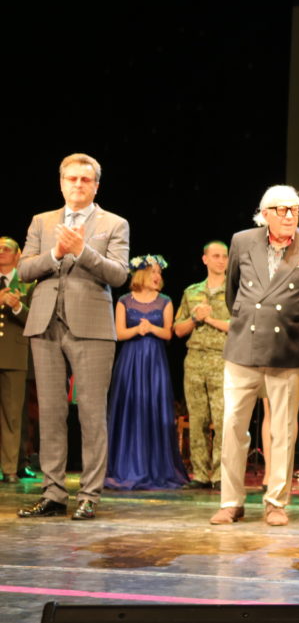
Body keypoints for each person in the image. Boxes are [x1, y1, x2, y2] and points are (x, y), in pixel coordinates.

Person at [210, 185, 299, 526]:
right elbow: (233, 293)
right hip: (243, 347)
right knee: (233, 427)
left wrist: (295, 329)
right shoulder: (242, 241)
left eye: (295, 209)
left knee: (283, 430)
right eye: (282, 209)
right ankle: (230, 502)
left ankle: (276, 502)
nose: (290, 215)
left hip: (288, 349)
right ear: (265, 214)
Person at [17, 153, 129, 520]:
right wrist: (55, 253)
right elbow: (24, 270)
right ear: (61, 183)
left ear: (96, 185)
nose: (77, 185)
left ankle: (89, 495)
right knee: (51, 413)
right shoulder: (42, 221)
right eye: (71, 179)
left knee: (92, 414)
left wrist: (82, 252)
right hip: (45, 324)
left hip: (92, 327)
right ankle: (53, 493)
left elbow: (119, 274)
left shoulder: (114, 223)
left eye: (85, 179)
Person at [105, 255, 188, 490]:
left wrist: (150, 327)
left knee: (153, 409)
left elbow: (168, 334)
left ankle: (155, 467)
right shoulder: (124, 301)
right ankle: (126, 465)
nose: (157, 276)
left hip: (154, 362)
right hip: (130, 361)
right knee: (130, 409)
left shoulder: (165, 301)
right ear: (141, 274)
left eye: (159, 273)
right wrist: (136, 330)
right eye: (153, 272)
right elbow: (119, 333)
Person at [173, 241, 231, 489]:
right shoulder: (192, 292)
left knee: (223, 419)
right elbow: (178, 329)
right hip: (195, 359)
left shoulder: (234, 290)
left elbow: (240, 326)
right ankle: (200, 473)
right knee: (197, 420)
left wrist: (210, 319)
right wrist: (196, 318)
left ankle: (220, 474)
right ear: (205, 259)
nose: (221, 260)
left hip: (222, 359)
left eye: (224, 256)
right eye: (215, 256)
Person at [0, 237, 32, 484]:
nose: (1, 252)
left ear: (17, 254)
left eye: (6, 249)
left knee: (12, 415)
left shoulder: (29, 284)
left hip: (15, 355)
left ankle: (10, 467)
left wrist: (18, 307)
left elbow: (38, 321)